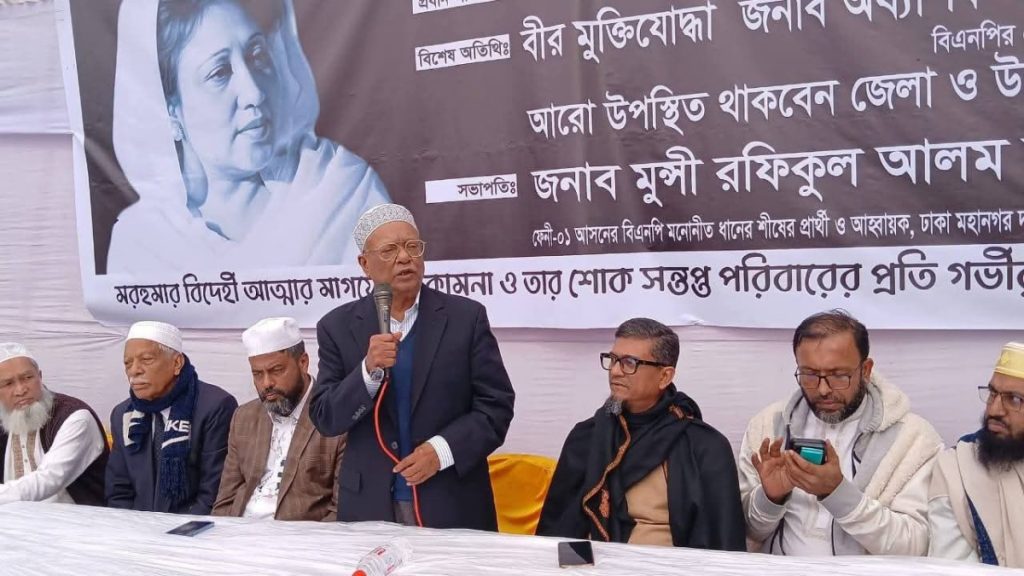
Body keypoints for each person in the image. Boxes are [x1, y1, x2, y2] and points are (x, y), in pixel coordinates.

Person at [107, 0, 389, 274]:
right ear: (170, 111)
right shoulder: (143, 246)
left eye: (257, 55)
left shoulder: (343, 192)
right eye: (219, 72)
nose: (254, 92)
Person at [310, 203, 515, 530]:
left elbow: (496, 407)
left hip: (451, 501)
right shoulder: (337, 327)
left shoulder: (465, 318)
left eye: (412, 247)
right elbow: (327, 418)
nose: (405, 258)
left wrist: (441, 451)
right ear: (365, 264)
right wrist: (367, 370)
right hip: (369, 505)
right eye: (389, 250)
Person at [738, 309, 943, 556]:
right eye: (810, 375)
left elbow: (915, 545)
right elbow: (747, 534)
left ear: (865, 370)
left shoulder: (914, 439)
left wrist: (838, 494)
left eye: (838, 376)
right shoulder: (767, 426)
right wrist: (771, 498)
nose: (823, 390)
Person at [536, 318, 746, 550]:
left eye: (629, 363)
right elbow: (556, 532)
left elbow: (724, 544)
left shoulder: (704, 447)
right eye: (613, 359)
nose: (615, 371)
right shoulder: (587, 437)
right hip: (591, 563)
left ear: (664, 376)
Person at [213, 317, 345, 521]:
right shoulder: (244, 417)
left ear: (303, 362)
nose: (267, 383)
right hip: (238, 531)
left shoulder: (335, 415)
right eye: (258, 374)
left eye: (276, 370)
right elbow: (225, 500)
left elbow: (340, 511)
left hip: (299, 536)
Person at [106, 321, 237, 513]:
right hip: (136, 525)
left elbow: (214, 494)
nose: (134, 370)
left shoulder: (215, 407)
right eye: (128, 363)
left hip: (194, 526)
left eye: (146, 359)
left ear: (176, 364)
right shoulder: (123, 414)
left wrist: (178, 530)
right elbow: (118, 493)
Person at [928, 342, 1024, 568]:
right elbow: (952, 568)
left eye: (1014, 399)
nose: (994, 410)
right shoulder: (956, 468)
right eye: (993, 394)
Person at [0, 343, 108, 506]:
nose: (20, 390)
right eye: (8, 384)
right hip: (14, 518)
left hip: (77, 519)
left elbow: (50, 478)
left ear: (40, 376)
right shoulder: (4, 419)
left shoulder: (75, 418)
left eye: (27, 378)